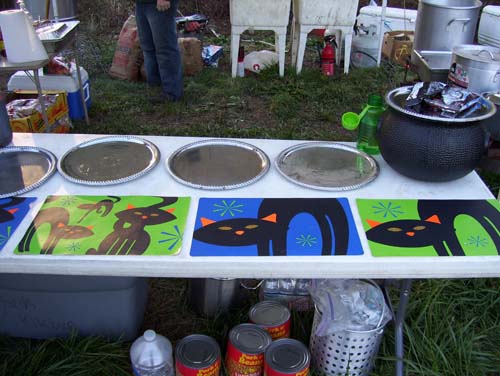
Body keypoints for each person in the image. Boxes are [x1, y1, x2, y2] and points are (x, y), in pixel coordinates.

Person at [135, 0, 183, 102]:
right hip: (141, 4)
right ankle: (155, 86)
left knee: (165, 49)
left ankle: (172, 93)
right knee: (148, 47)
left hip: (158, 4)